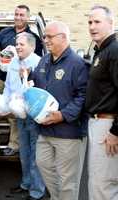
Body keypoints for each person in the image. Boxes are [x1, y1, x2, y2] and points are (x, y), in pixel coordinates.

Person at [30, 21, 88, 200]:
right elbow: (37, 87)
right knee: (44, 167)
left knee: (67, 180)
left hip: (68, 133)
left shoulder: (78, 64)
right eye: (44, 36)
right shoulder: (44, 60)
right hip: (44, 130)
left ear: (63, 37)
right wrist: (26, 78)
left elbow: (83, 96)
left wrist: (62, 115)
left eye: (49, 37)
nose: (45, 40)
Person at [0, 4, 43, 156]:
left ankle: (14, 144)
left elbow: (36, 59)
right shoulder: (5, 32)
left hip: (22, 79)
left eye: (22, 15)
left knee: (16, 110)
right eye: (16, 14)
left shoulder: (32, 37)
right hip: (1, 77)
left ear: (27, 17)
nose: (18, 17)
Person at [3, 32, 45, 200]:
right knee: (24, 152)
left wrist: (26, 78)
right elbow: (7, 86)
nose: (18, 47)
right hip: (18, 113)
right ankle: (26, 184)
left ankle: (36, 191)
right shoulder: (13, 62)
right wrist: (5, 104)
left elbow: (40, 91)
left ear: (32, 46)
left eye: (22, 44)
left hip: (33, 115)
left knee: (36, 154)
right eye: (17, 44)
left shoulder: (40, 63)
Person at [86, 5, 118, 200]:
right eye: (89, 22)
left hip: (108, 126)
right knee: (101, 182)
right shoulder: (101, 51)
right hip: (99, 124)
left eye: (97, 21)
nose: (92, 26)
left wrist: (116, 131)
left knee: (103, 186)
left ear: (111, 23)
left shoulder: (114, 51)